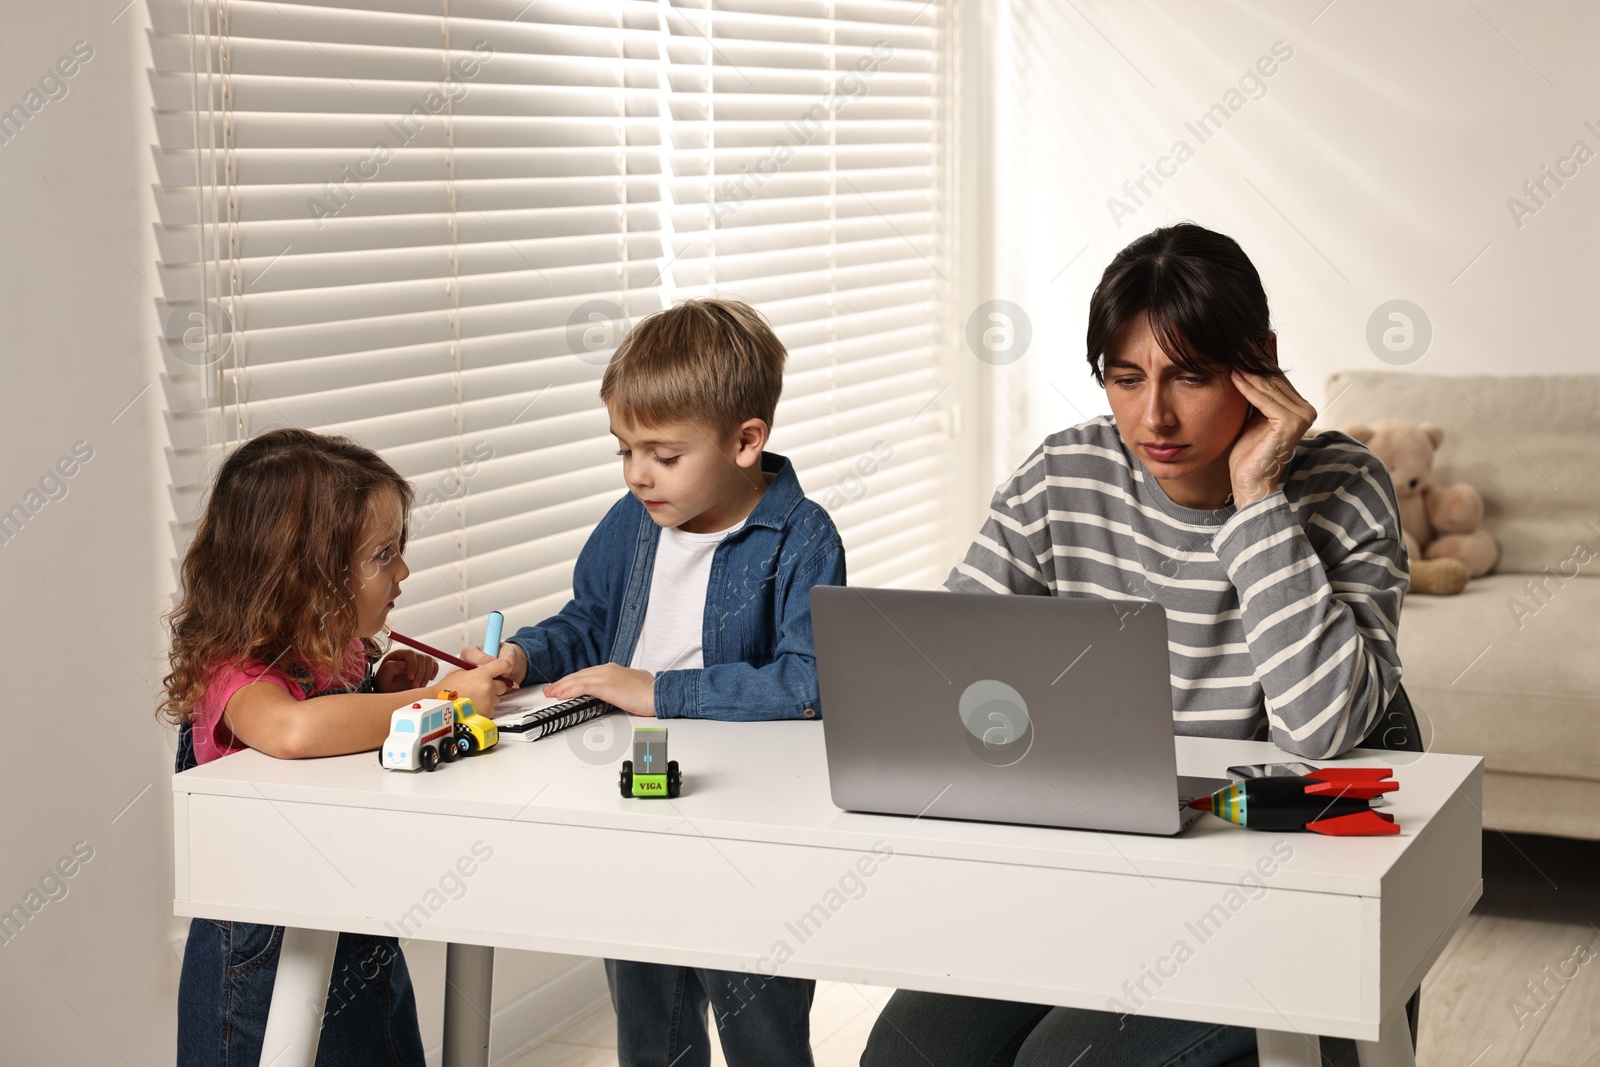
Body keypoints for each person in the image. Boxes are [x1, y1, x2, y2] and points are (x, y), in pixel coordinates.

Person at [860, 223, 1408, 1067]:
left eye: (1190, 376)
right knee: (904, 1054)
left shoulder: (1344, 487)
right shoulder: (1063, 475)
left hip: (1268, 890)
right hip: (1091, 873)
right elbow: (947, 670)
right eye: (1126, 377)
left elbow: (1321, 728)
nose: (1153, 415)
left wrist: (1256, 498)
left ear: (1260, 362)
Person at [463, 297, 846, 1067]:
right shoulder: (632, 521)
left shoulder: (802, 537)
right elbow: (588, 622)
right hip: (636, 805)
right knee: (648, 1022)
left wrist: (659, 690)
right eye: (624, 450)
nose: (639, 473)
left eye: (664, 455)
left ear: (746, 441)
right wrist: (526, 658)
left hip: (751, 827)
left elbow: (809, 684)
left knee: (761, 1028)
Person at [160, 427, 513, 1067]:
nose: (402, 570)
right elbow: (295, 732)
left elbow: (332, 729)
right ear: (304, 579)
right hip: (263, 959)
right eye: (382, 555)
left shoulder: (338, 653)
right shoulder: (234, 673)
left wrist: (378, 687)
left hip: (351, 926)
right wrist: (440, 705)